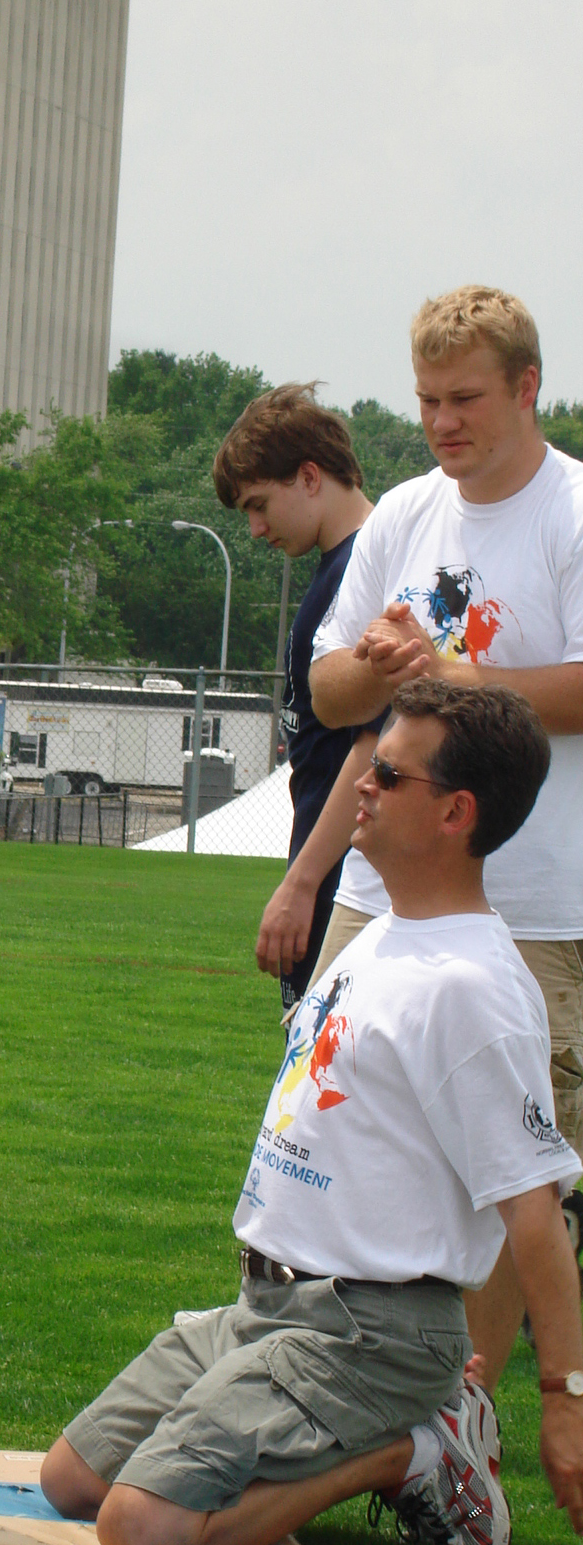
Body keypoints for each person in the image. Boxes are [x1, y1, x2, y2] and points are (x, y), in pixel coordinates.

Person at [41, 680, 583, 1545]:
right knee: (71, 1481)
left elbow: (535, 1210)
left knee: (141, 1528)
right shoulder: (382, 932)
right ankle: (391, 1425)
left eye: (389, 776)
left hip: (369, 1333)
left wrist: (566, 1397)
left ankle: (410, 1455)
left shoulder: (472, 987)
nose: (361, 784)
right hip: (274, 1305)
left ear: (455, 813)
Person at [308, 285, 583, 1387]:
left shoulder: (569, 510)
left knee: (510, 1172)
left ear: (526, 388)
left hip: (537, 905)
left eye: (464, 398)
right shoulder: (404, 515)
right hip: (378, 900)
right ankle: (333, 1370)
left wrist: (466, 681)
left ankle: (455, 1412)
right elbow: (331, 697)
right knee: (326, 1128)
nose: (440, 422)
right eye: (424, 400)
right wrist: (375, 666)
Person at [212, 386, 375, 1012]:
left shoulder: (370, 563)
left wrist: (303, 883)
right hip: (334, 868)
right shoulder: (337, 567)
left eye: (259, 504)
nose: (255, 530)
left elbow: (378, 741)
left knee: (325, 1092)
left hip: (353, 880)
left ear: (310, 476)